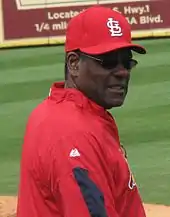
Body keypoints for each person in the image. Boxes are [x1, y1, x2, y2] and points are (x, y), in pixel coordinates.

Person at [17, 5, 147, 217]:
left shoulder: (61, 112)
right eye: (109, 62)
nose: (122, 71)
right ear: (74, 64)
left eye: (127, 62)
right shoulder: (73, 134)